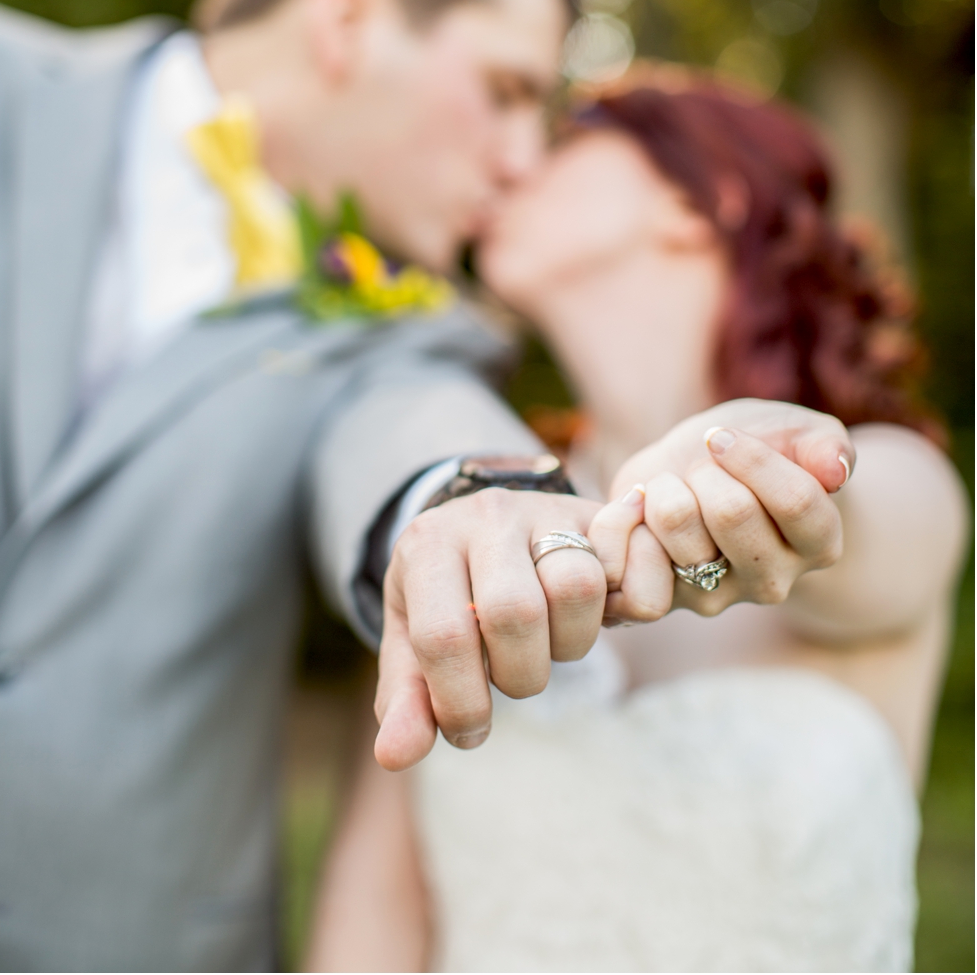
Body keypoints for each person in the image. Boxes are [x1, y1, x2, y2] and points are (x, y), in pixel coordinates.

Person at [0, 0, 851, 974]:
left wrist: (479, 497)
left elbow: (417, 435)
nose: (523, 156)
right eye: (503, 89)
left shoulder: (406, 326)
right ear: (343, 20)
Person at [308, 65, 968, 974]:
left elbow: (856, 534)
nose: (512, 164)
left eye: (569, 138)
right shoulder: (465, 520)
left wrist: (743, 454)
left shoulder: (892, 475)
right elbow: (371, 926)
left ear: (709, 200)